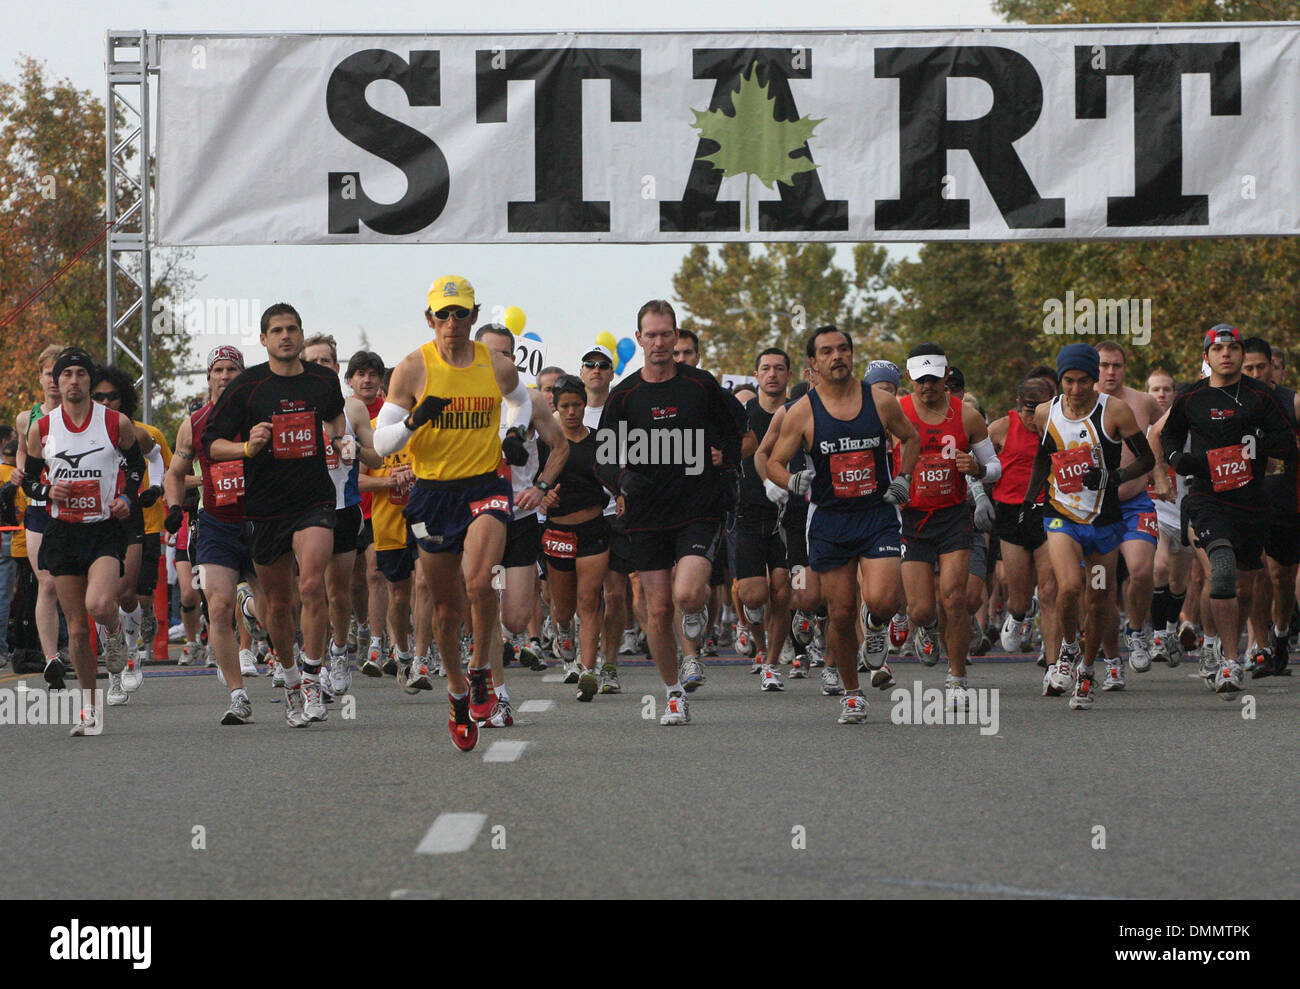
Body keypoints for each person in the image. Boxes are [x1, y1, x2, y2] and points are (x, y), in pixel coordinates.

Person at [371, 275, 534, 751]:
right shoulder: (411, 368)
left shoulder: (495, 362)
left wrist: (513, 436)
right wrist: (417, 419)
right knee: (445, 607)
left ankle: (482, 670)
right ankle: (458, 692)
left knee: (480, 582)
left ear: (474, 316)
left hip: (484, 485)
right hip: (432, 493)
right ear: (429, 318)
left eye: (461, 313)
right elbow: (381, 445)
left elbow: (520, 404)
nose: (452, 323)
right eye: (443, 314)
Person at [202, 304, 350, 727]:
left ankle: (311, 675)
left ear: (301, 335)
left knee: (311, 583)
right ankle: (287, 676)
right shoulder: (247, 387)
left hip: (314, 500)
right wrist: (247, 447)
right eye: (277, 330)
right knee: (279, 605)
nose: (286, 336)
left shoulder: (322, 379)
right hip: (265, 507)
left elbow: (335, 413)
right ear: (264, 339)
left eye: (292, 329)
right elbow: (211, 444)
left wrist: (339, 439)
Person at [595, 300, 741, 726]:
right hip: (645, 516)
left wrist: (724, 460)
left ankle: (696, 624)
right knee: (657, 610)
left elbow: (736, 433)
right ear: (639, 339)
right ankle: (674, 692)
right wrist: (621, 480)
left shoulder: (701, 385)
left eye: (666, 334)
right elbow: (602, 457)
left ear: (676, 337)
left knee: (687, 595)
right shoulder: (624, 395)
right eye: (651, 335)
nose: (659, 343)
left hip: (698, 507)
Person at [768, 326, 919, 725]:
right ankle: (853, 695)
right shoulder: (802, 411)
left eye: (844, 349)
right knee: (839, 612)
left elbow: (912, 437)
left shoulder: (881, 401)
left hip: (877, 515)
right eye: (827, 352)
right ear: (813, 363)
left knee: (884, 599)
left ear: (852, 355)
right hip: (830, 519)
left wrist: (903, 476)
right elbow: (773, 462)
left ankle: (876, 625)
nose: (837, 356)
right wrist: (791, 481)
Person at [1020, 343, 1155, 710]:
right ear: (1059, 380)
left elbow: (1147, 458)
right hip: (1062, 516)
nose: (1076, 390)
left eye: (1083, 382)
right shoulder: (1046, 412)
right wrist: (1030, 500)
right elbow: (1041, 460)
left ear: (1095, 381)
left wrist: (1113, 477)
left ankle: (1088, 671)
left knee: (1097, 600)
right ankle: (1065, 651)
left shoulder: (1116, 411)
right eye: (1069, 382)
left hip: (1104, 524)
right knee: (1069, 586)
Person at [1161, 325, 1295, 693]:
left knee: (1247, 586)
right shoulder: (1191, 398)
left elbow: (1286, 442)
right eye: (1218, 349)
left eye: (1233, 348)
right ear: (1207, 356)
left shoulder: (1261, 397)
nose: (1227, 354)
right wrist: (1178, 459)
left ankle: (1227, 645)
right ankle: (1228, 662)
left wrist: (1257, 439)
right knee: (1221, 570)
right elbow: (1168, 435)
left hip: (1251, 501)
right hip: (1207, 498)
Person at [21, 347, 146, 736]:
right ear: (56, 383)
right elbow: (29, 479)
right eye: (66, 374)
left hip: (104, 528)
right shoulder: (42, 429)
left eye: (80, 373)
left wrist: (127, 498)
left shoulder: (115, 422)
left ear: (90, 380)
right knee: (75, 628)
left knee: (98, 604)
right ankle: (89, 710)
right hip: (62, 531)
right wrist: (46, 492)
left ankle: (112, 632)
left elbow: (137, 466)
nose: (73, 380)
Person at [895, 344, 1002, 709]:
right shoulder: (895, 413)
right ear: (910, 378)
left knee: (954, 600)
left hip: (953, 516)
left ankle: (957, 678)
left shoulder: (968, 416)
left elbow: (995, 467)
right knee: (921, 609)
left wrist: (977, 470)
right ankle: (925, 628)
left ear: (945, 377)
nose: (928, 386)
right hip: (912, 519)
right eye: (921, 379)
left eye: (934, 378)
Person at [474, 322, 567, 722]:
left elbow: (561, 447)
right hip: (477, 517)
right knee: (485, 605)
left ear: (515, 359)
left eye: (505, 354)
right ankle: (497, 692)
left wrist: (542, 485)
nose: (498, 361)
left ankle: (489, 662)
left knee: (513, 617)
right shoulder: (465, 402)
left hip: (522, 517)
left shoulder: (530, 400)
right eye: (490, 354)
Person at [166, 346, 262, 724]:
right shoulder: (194, 422)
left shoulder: (258, 417)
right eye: (219, 370)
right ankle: (237, 695)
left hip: (260, 521)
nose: (225, 376)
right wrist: (174, 507)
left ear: (243, 376)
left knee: (279, 612)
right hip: (215, 523)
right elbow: (175, 472)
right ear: (208, 377)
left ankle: (291, 676)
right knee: (217, 607)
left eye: (232, 370)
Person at [302, 333, 383, 696]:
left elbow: (376, 458)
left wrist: (352, 448)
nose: (320, 367)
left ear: (336, 368)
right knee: (307, 590)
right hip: (303, 510)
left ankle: (337, 651)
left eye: (326, 362)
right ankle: (310, 661)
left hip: (343, 507)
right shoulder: (293, 407)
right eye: (313, 362)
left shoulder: (353, 409)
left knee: (337, 591)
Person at [1094, 341, 1169, 684]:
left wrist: (1162, 473)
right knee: (1100, 588)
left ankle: (1136, 630)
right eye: (1104, 365)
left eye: (1117, 365)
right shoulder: (1079, 402)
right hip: (1094, 509)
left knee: (1142, 571)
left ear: (1125, 368)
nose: (1111, 372)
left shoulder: (1143, 401)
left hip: (1136, 502)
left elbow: (1164, 434)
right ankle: (1111, 661)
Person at [543, 375, 612, 700]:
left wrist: (622, 493)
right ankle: (564, 633)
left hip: (594, 528)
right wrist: (543, 498)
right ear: (555, 407)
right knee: (563, 606)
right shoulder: (547, 442)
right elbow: (531, 483)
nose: (572, 412)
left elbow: (616, 475)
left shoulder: (600, 440)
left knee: (588, 600)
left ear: (585, 405)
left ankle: (588, 670)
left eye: (577, 405)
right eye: (565, 406)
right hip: (558, 530)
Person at [733, 348, 794, 691]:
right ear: (756, 375)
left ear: (788, 376)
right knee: (753, 596)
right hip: (748, 510)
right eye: (766, 368)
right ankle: (762, 646)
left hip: (788, 513)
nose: (772, 374)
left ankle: (771, 664)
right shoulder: (742, 415)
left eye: (779, 368)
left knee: (783, 592)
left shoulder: (799, 413)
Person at [989, 374, 1060, 669]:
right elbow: (974, 465)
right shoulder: (1000, 428)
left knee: (1049, 590)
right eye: (1029, 408)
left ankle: (1055, 661)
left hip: (1049, 511)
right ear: (1018, 403)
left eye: (1043, 407)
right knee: (1016, 596)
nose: (1035, 416)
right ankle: (1020, 613)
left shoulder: (1060, 428)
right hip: (1011, 513)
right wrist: (980, 497)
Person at [1240, 337, 1298, 677]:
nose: (1258, 373)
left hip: (1285, 500)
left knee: (1281, 577)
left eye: (1264, 366)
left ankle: (1280, 635)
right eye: (1250, 367)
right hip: (1243, 499)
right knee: (1254, 572)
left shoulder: (1291, 402)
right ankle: (1258, 646)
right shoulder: (1229, 401)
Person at [580, 344, 635, 691]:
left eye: (603, 365)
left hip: (615, 515)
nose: (597, 369)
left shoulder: (623, 414)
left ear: (612, 373)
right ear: (582, 372)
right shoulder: (568, 414)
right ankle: (579, 654)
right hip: (578, 516)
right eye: (590, 364)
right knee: (581, 596)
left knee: (615, 593)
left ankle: (610, 663)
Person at [13, 344, 66, 686]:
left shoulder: (84, 416)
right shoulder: (25, 418)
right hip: (39, 508)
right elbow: (22, 452)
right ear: (40, 376)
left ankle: (99, 639)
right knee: (46, 581)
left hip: (76, 508)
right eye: (48, 373)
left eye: (59, 374)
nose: (54, 381)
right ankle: (51, 660)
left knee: (77, 586)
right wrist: (21, 472)